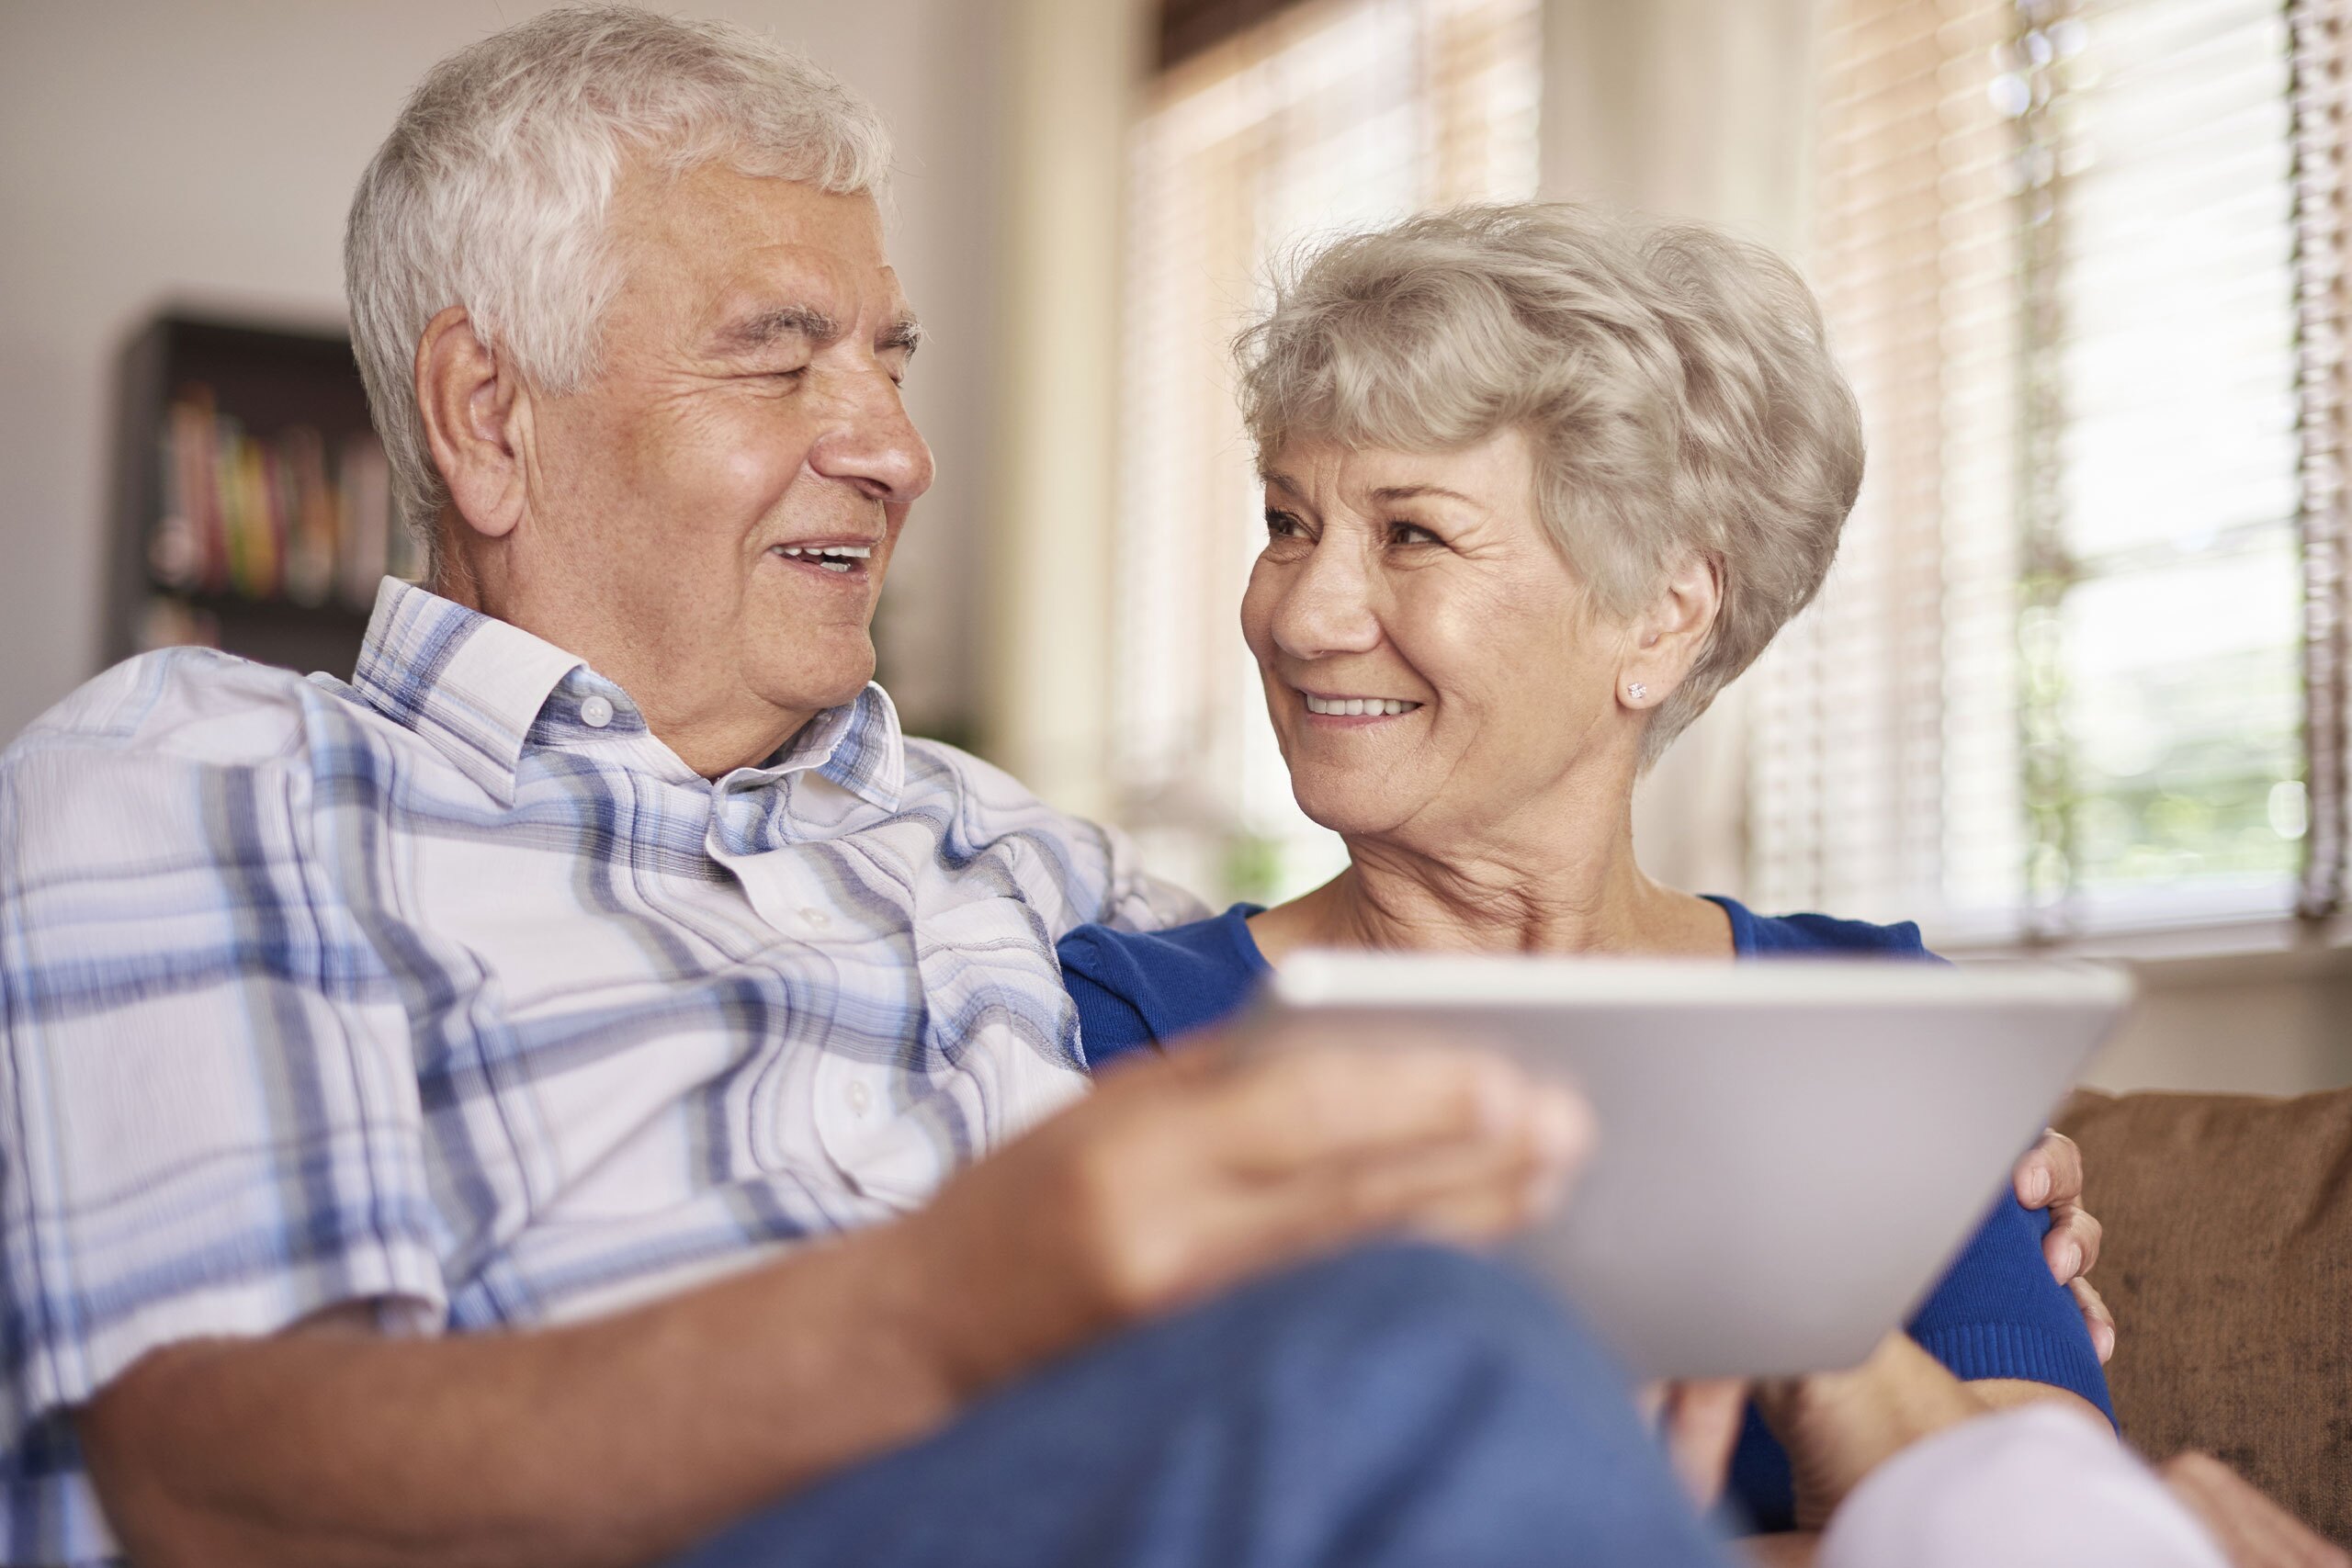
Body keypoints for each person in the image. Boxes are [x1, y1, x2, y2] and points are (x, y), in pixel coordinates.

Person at [0, 10, 2113, 1568]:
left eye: (894, 359)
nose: (895, 448)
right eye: (783, 354)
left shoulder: (1004, 860)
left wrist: (1872, 1161)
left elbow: (1409, 971)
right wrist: (961, 1293)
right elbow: (218, 1479)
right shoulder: (213, 777)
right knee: (1422, 1347)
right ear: (484, 412)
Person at [1052, 202, 2114, 1540]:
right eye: (1286, 521)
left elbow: (2062, 1524)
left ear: (1663, 615)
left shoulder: (1870, 1013)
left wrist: (1809, 1337)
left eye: (1411, 534)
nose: (1304, 616)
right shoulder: (1137, 1022)